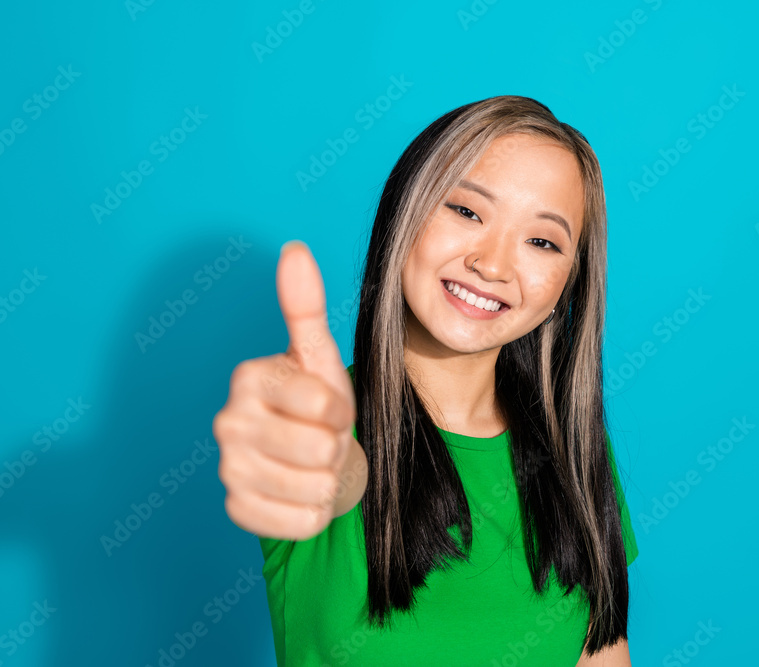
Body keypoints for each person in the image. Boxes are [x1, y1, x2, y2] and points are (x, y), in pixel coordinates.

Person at [212, 95, 638, 666]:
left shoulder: (575, 448)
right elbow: (316, 465)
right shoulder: (326, 430)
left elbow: (601, 655)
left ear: (569, 283)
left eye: (542, 241)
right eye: (466, 211)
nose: (492, 264)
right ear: (404, 210)